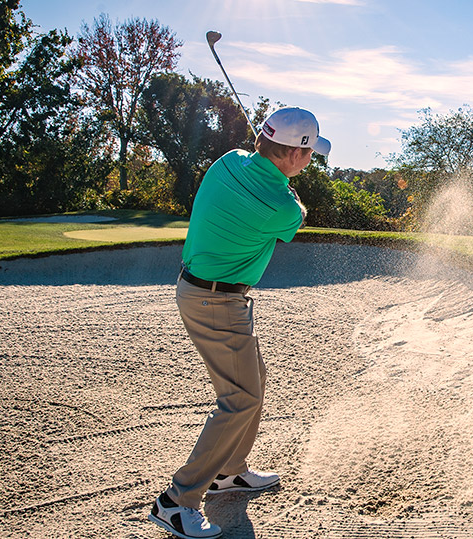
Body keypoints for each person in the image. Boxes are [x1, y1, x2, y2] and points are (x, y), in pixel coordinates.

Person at [148, 107, 330, 539]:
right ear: (293, 154)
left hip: (201, 292)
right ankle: (177, 501)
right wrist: (286, 188)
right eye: (308, 155)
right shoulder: (283, 206)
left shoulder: (228, 160)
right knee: (240, 400)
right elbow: (296, 218)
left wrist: (272, 170)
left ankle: (229, 472)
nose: (311, 162)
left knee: (252, 384)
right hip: (217, 303)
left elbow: (263, 179)